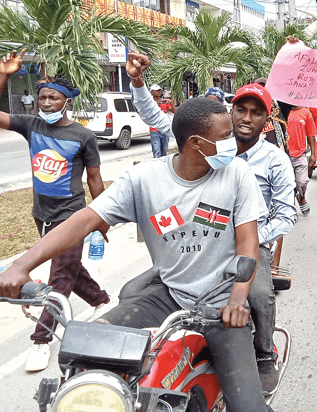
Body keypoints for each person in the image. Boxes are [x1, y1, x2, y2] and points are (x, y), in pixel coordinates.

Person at [0, 96, 273, 411]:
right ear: (197, 143)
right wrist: (21, 265)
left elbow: (248, 242)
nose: (233, 141)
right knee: (84, 352)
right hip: (168, 295)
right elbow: (84, 220)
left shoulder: (237, 172)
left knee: (249, 407)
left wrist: (238, 299)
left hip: (222, 305)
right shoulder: (143, 178)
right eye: (225, 136)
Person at [126, 55, 296, 391]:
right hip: (197, 238)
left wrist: (248, 238)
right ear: (229, 113)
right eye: (240, 110)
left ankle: (263, 353)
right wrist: (137, 83)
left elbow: (286, 214)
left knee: (260, 294)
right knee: (132, 292)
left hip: (248, 244)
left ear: (267, 119)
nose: (246, 118)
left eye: (256, 112)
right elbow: (161, 121)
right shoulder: (209, 140)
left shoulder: (275, 160)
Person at [0, 50, 111, 372]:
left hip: (72, 215)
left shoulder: (83, 136)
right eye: (42, 98)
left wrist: (101, 219)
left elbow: (94, 179)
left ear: (66, 102)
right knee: (70, 267)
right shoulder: (30, 125)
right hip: (41, 213)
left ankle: (41, 340)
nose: (46, 103)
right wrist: (5, 74)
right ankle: (101, 300)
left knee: (60, 274)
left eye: (52, 98)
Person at [287, 105, 317, 216]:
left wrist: (313, 154)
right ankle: (292, 207)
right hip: (285, 155)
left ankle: (301, 196)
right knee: (288, 184)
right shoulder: (283, 111)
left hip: (300, 154)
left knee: (302, 182)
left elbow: (311, 134)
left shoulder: (306, 112)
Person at [148, 84, 175, 158]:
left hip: (164, 130)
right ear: (152, 92)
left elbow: (174, 111)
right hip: (154, 130)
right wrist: (155, 105)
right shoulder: (149, 103)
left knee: (164, 151)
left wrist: (172, 104)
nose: (159, 92)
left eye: (159, 90)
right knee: (156, 151)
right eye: (156, 91)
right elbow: (148, 114)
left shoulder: (163, 101)